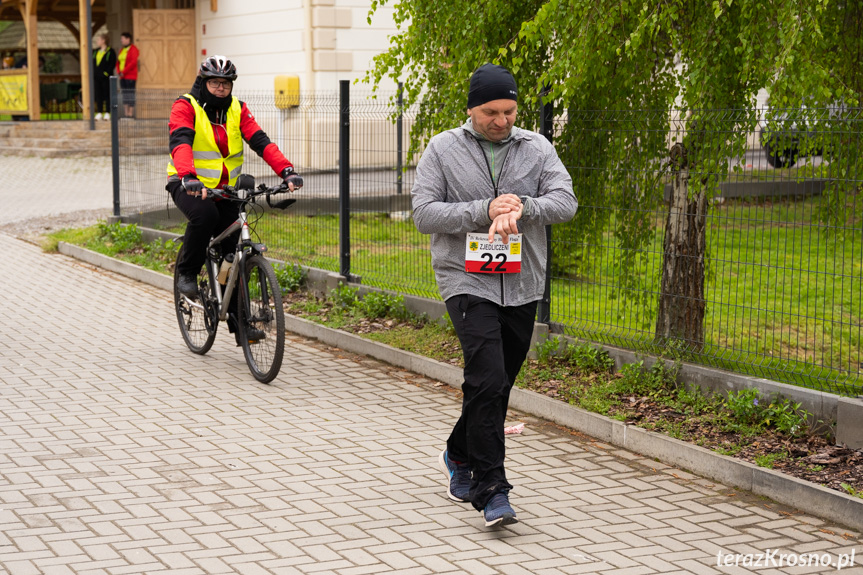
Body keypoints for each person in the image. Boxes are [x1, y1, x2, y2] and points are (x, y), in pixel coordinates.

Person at [411, 63, 578, 527]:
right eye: (490, 112)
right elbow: (424, 213)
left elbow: (566, 201)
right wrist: (484, 210)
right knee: (486, 377)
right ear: (471, 108)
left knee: (497, 382)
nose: (501, 121)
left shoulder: (537, 147)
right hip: (466, 280)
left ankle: (458, 453)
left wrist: (522, 208)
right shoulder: (443, 148)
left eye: (509, 111)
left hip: (523, 282)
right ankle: (492, 490)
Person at [166, 55, 302, 345]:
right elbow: (180, 141)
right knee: (205, 217)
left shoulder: (238, 109)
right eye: (215, 82)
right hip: (188, 184)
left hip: (225, 189)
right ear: (204, 82)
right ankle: (187, 273)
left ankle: (241, 324)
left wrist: (287, 171)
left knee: (234, 254)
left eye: (225, 84)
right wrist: (189, 177)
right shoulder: (185, 106)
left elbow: (260, 141)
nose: (220, 88)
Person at [92, 33, 116, 120]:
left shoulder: (110, 51)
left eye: (98, 40)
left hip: (106, 77)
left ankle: (107, 112)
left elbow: (112, 63)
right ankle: (99, 112)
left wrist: (105, 73)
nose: (97, 41)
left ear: (103, 41)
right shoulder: (95, 51)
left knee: (107, 94)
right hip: (96, 77)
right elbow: (93, 63)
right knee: (98, 95)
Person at [116, 32, 139, 118]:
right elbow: (118, 61)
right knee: (124, 93)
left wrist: (124, 71)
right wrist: (119, 71)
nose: (121, 40)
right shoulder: (122, 50)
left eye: (123, 38)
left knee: (130, 93)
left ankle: (130, 113)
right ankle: (126, 113)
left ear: (128, 39)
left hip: (130, 76)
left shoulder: (133, 49)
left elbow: (133, 62)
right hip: (122, 76)